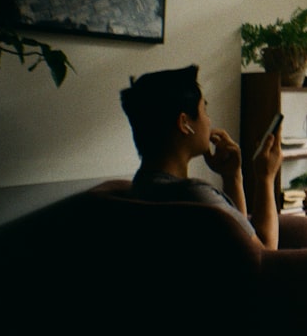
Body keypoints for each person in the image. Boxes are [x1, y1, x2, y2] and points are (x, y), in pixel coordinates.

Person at [120, 64, 283, 249]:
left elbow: (239, 236)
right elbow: (265, 254)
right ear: (184, 123)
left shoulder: (142, 185)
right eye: (204, 110)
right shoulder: (196, 196)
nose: (209, 120)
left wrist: (232, 177)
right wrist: (266, 178)